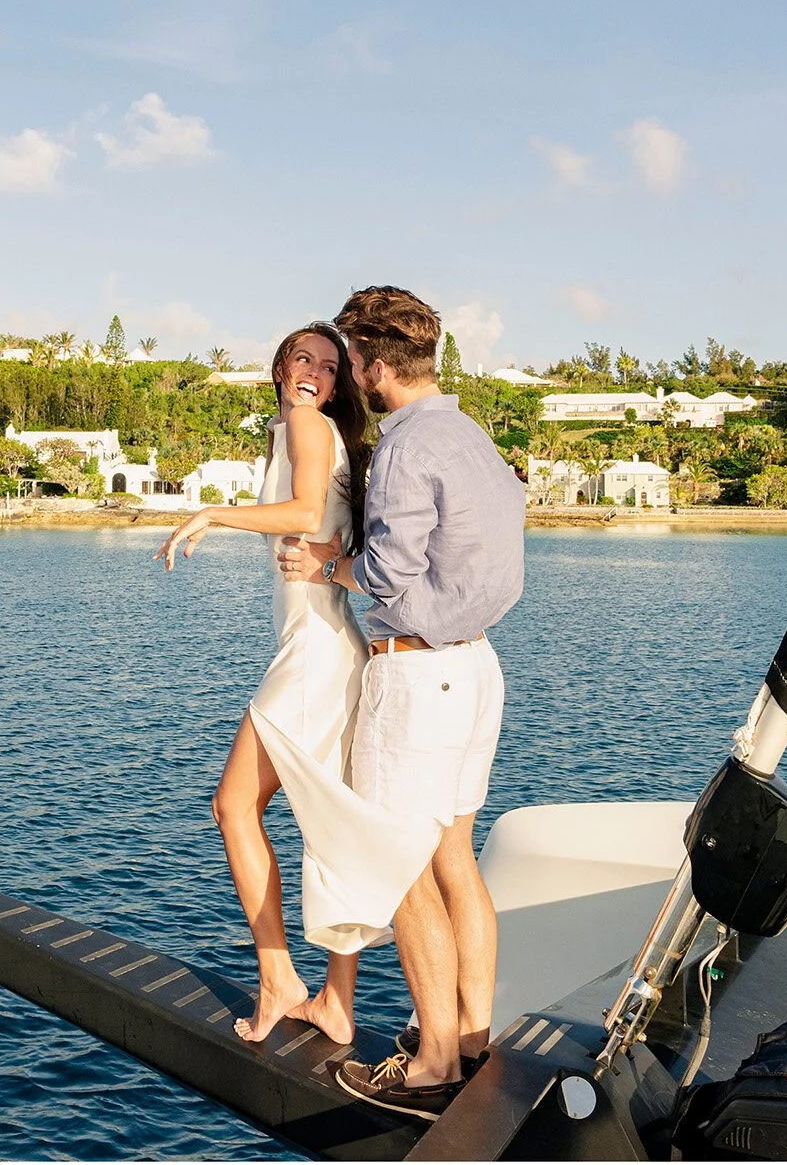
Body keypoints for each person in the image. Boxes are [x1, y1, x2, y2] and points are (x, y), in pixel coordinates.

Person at [279, 285, 525, 1121]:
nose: (347, 371)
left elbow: (384, 574)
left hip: (417, 675)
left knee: (406, 868)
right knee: (456, 856)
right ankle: (472, 1040)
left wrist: (327, 565)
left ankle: (430, 1064)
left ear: (377, 365)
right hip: (478, 667)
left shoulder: (406, 447)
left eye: (349, 358)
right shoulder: (470, 436)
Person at [154, 323, 430, 1046]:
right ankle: (336, 1000)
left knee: (233, 804)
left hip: (315, 654)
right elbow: (337, 528)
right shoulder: (300, 433)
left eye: (329, 366)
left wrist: (212, 513)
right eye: (303, 358)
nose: (313, 372)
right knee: (327, 821)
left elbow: (307, 513)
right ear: (278, 366)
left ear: (336, 387)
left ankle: (279, 976)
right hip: (328, 647)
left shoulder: (308, 425)